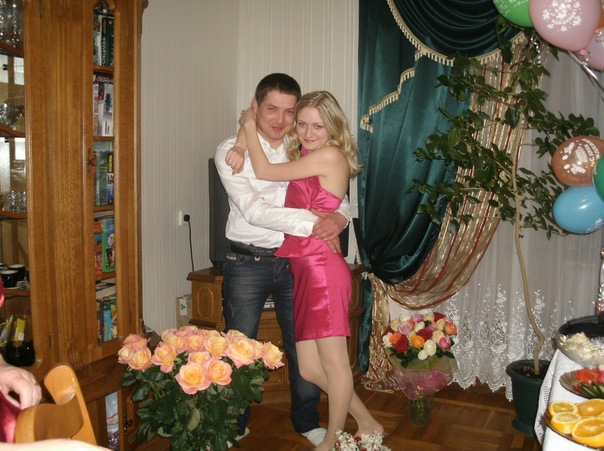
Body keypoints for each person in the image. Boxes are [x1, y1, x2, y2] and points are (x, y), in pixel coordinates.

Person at [235, 91, 384, 451]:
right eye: (301, 124)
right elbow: (329, 201)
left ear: (333, 127)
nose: (307, 132)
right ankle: (368, 423)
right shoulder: (306, 155)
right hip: (303, 271)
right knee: (310, 370)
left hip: (322, 270)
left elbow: (265, 171)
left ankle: (332, 440)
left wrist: (248, 124)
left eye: (318, 125)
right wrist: (242, 138)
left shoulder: (329, 155)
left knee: (335, 365)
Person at [214, 73, 350, 447]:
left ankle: (307, 420)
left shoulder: (299, 143)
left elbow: (334, 189)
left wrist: (341, 217)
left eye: (290, 112)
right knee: (239, 347)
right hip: (248, 263)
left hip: (297, 263)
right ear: (255, 107)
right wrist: (315, 223)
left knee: (302, 348)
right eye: (271, 108)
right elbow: (255, 211)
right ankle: (236, 423)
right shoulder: (230, 153)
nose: (281, 119)